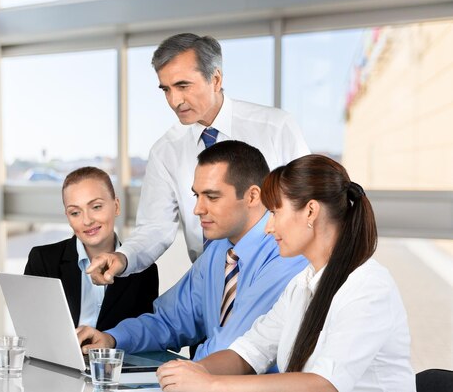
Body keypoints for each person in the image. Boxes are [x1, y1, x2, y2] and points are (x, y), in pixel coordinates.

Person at [157, 155, 415, 392]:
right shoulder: (301, 284)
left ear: (311, 211)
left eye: (275, 212)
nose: (268, 227)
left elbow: (325, 384)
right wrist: (192, 371)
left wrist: (211, 384)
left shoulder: (368, 287)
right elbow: (250, 351)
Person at [87, 33, 309, 285]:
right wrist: (123, 257)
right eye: (166, 89)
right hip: (210, 284)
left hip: (278, 279)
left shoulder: (275, 127)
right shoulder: (165, 151)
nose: (174, 101)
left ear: (215, 79)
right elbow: (155, 228)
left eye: (183, 86)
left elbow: (310, 207)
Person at [76, 141, 308, 361]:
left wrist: (178, 374)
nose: (197, 209)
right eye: (197, 195)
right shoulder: (219, 251)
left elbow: (233, 348)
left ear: (252, 196)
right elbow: (169, 321)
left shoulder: (285, 252)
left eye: (212, 197)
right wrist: (112, 338)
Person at [24, 166, 158, 331]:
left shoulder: (143, 270)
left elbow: (145, 334)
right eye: (75, 213)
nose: (86, 221)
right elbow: (31, 329)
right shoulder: (43, 260)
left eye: (96, 207)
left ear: (116, 206)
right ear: (67, 216)